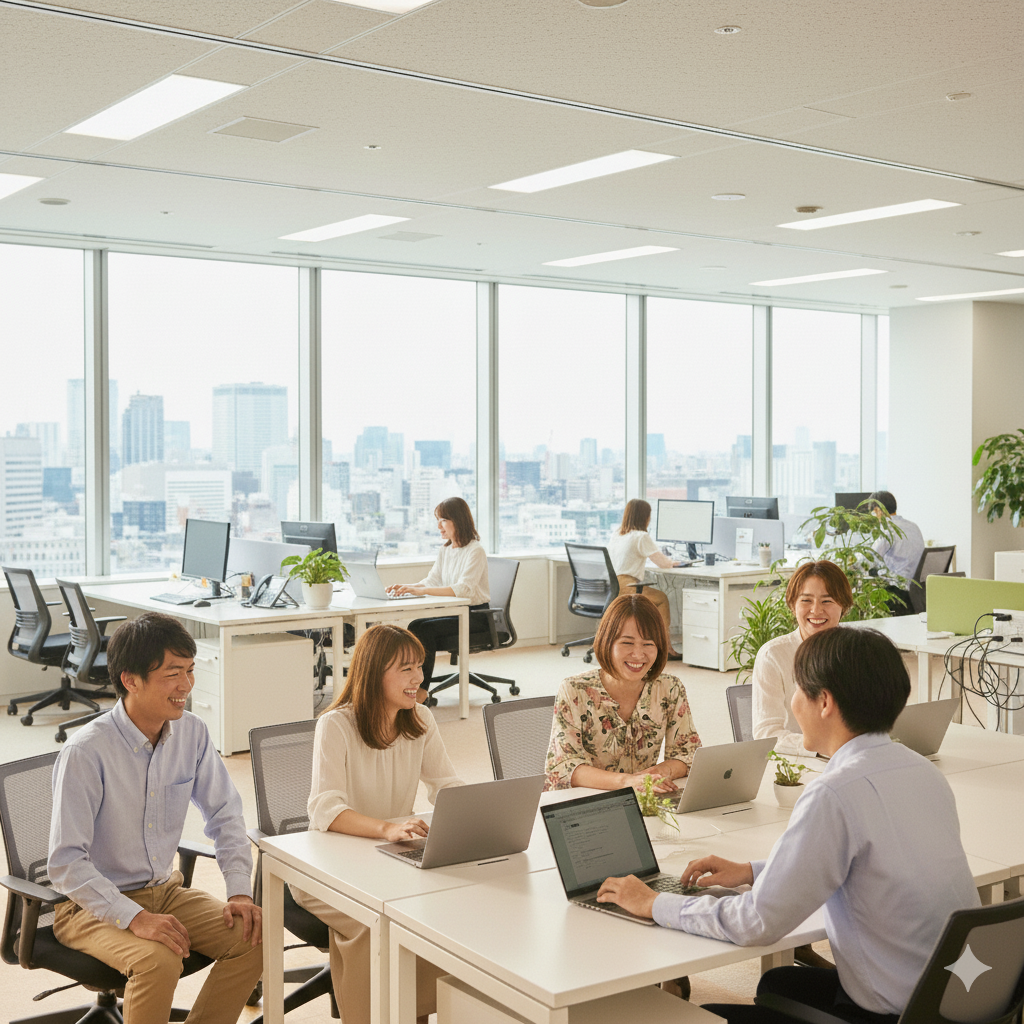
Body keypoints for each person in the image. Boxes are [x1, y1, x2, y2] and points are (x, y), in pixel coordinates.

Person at [595, 626, 980, 1024]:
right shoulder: (924, 772)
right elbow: (863, 862)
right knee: (779, 985)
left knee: (700, 1016)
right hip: (949, 995)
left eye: (798, 691)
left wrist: (654, 902)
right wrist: (752, 872)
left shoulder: (834, 792)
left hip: (894, 1013)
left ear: (824, 702)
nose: (794, 704)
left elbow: (756, 924)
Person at [48, 612, 263, 1024]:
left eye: (190, 671)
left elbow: (225, 814)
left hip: (163, 892)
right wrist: (134, 918)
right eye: (172, 674)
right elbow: (65, 864)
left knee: (254, 938)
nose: (186, 685)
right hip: (88, 906)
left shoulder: (192, 734)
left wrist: (239, 891)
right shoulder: (86, 752)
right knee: (158, 960)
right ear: (131, 680)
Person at [291, 623, 463, 1024]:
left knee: (439, 916)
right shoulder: (335, 725)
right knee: (376, 926)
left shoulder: (419, 718)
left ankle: (412, 1015)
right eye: (406, 668)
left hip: (390, 862)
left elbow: (445, 784)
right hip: (327, 868)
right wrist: (386, 828)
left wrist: (474, 809)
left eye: (419, 666)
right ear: (373, 672)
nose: (419, 677)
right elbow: (326, 810)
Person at [545, 592, 701, 793]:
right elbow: (564, 767)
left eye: (648, 644)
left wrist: (656, 774)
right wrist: (627, 782)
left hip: (644, 799)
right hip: (587, 804)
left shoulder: (669, 688)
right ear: (607, 642)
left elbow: (688, 753)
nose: (638, 654)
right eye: (627, 643)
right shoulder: (575, 690)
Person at [387, 496, 489, 703]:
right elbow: (432, 580)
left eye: (443, 520)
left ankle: (421, 691)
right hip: (454, 612)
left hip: (476, 616)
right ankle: (414, 686)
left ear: (457, 520)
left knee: (424, 629)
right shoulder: (445, 550)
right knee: (416, 625)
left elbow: (464, 590)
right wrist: (408, 587)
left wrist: (420, 591)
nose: (438, 526)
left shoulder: (475, 550)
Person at [751, 560, 853, 757]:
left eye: (827, 600)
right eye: (806, 600)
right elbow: (767, 734)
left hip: (851, 757)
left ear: (844, 605)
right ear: (792, 605)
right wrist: (825, 748)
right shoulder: (773, 655)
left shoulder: (857, 651)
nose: (816, 610)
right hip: (798, 763)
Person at [607, 498, 685, 659]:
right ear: (645, 517)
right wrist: (676, 562)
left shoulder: (618, 533)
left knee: (653, 597)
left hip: (610, 586)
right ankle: (666, 648)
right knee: (662, 599)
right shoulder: (641, 536)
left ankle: (651, 642)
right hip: (626, 585)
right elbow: (663, 563)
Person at [868, 490, 925, 615]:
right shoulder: (913, 526)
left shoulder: (887, 529)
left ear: (877, 510)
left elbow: (868, 558)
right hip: (917, 594)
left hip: (897, 593)